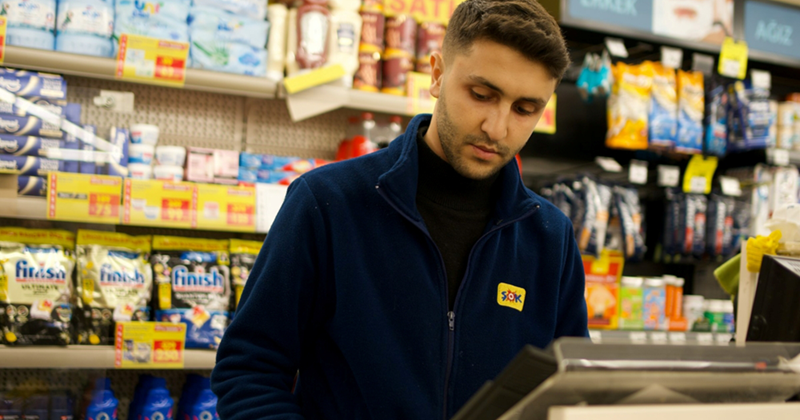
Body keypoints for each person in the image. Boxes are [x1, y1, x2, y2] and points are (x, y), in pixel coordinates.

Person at [212, 0, 588, 418]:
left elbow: (570, 391)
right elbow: (249, 369)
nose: (497, 128)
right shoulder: (327, 203)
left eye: (525, 110)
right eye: (481, 95)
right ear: (438, 73)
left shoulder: (550, 236)